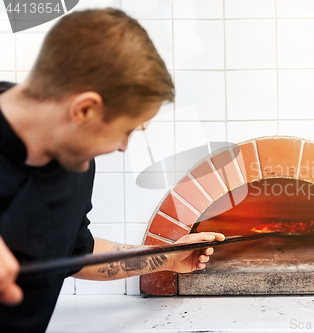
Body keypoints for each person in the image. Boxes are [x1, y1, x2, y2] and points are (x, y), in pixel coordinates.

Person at [0, 8, 224, 332]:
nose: (123, 146)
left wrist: (167, 257)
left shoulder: (75, 166)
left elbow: (80, 253)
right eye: (127, 130)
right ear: (85, 109)